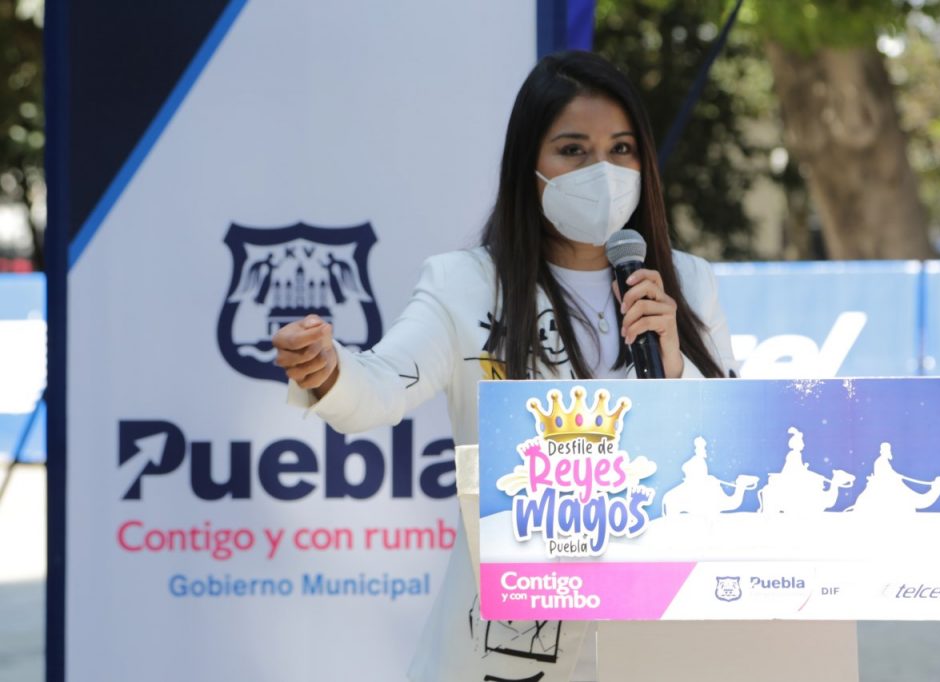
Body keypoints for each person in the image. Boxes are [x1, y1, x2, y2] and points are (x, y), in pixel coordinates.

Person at [273, 51, 738, 682]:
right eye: (573, 150)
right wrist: (325, 367)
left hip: (656, 642)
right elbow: (379, 386)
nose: (601, 171)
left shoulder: (687, 283)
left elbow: (731, 444)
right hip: (505, 648)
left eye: (621, 148)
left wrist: (675, 367)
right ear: (530, 167)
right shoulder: (465, 284)